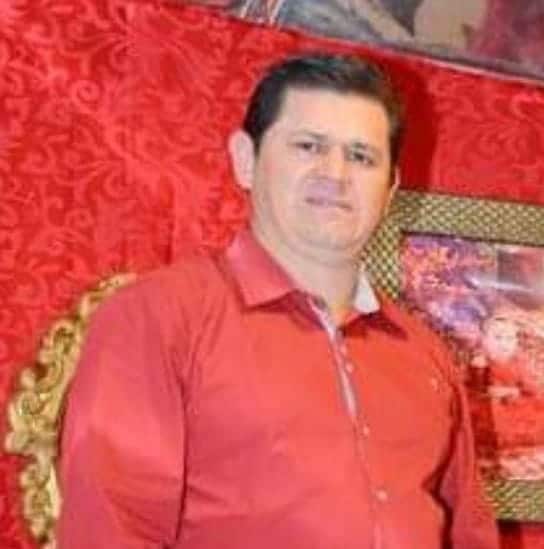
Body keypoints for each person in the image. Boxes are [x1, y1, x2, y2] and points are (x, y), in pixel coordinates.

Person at [57, 53, 499, 548]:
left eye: (361, 156)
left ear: (391, 187)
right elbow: (111, 530)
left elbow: (471, 533)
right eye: (309, 146)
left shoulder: (424, 354)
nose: (335, 174)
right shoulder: (158, 318)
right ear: (246, 159)